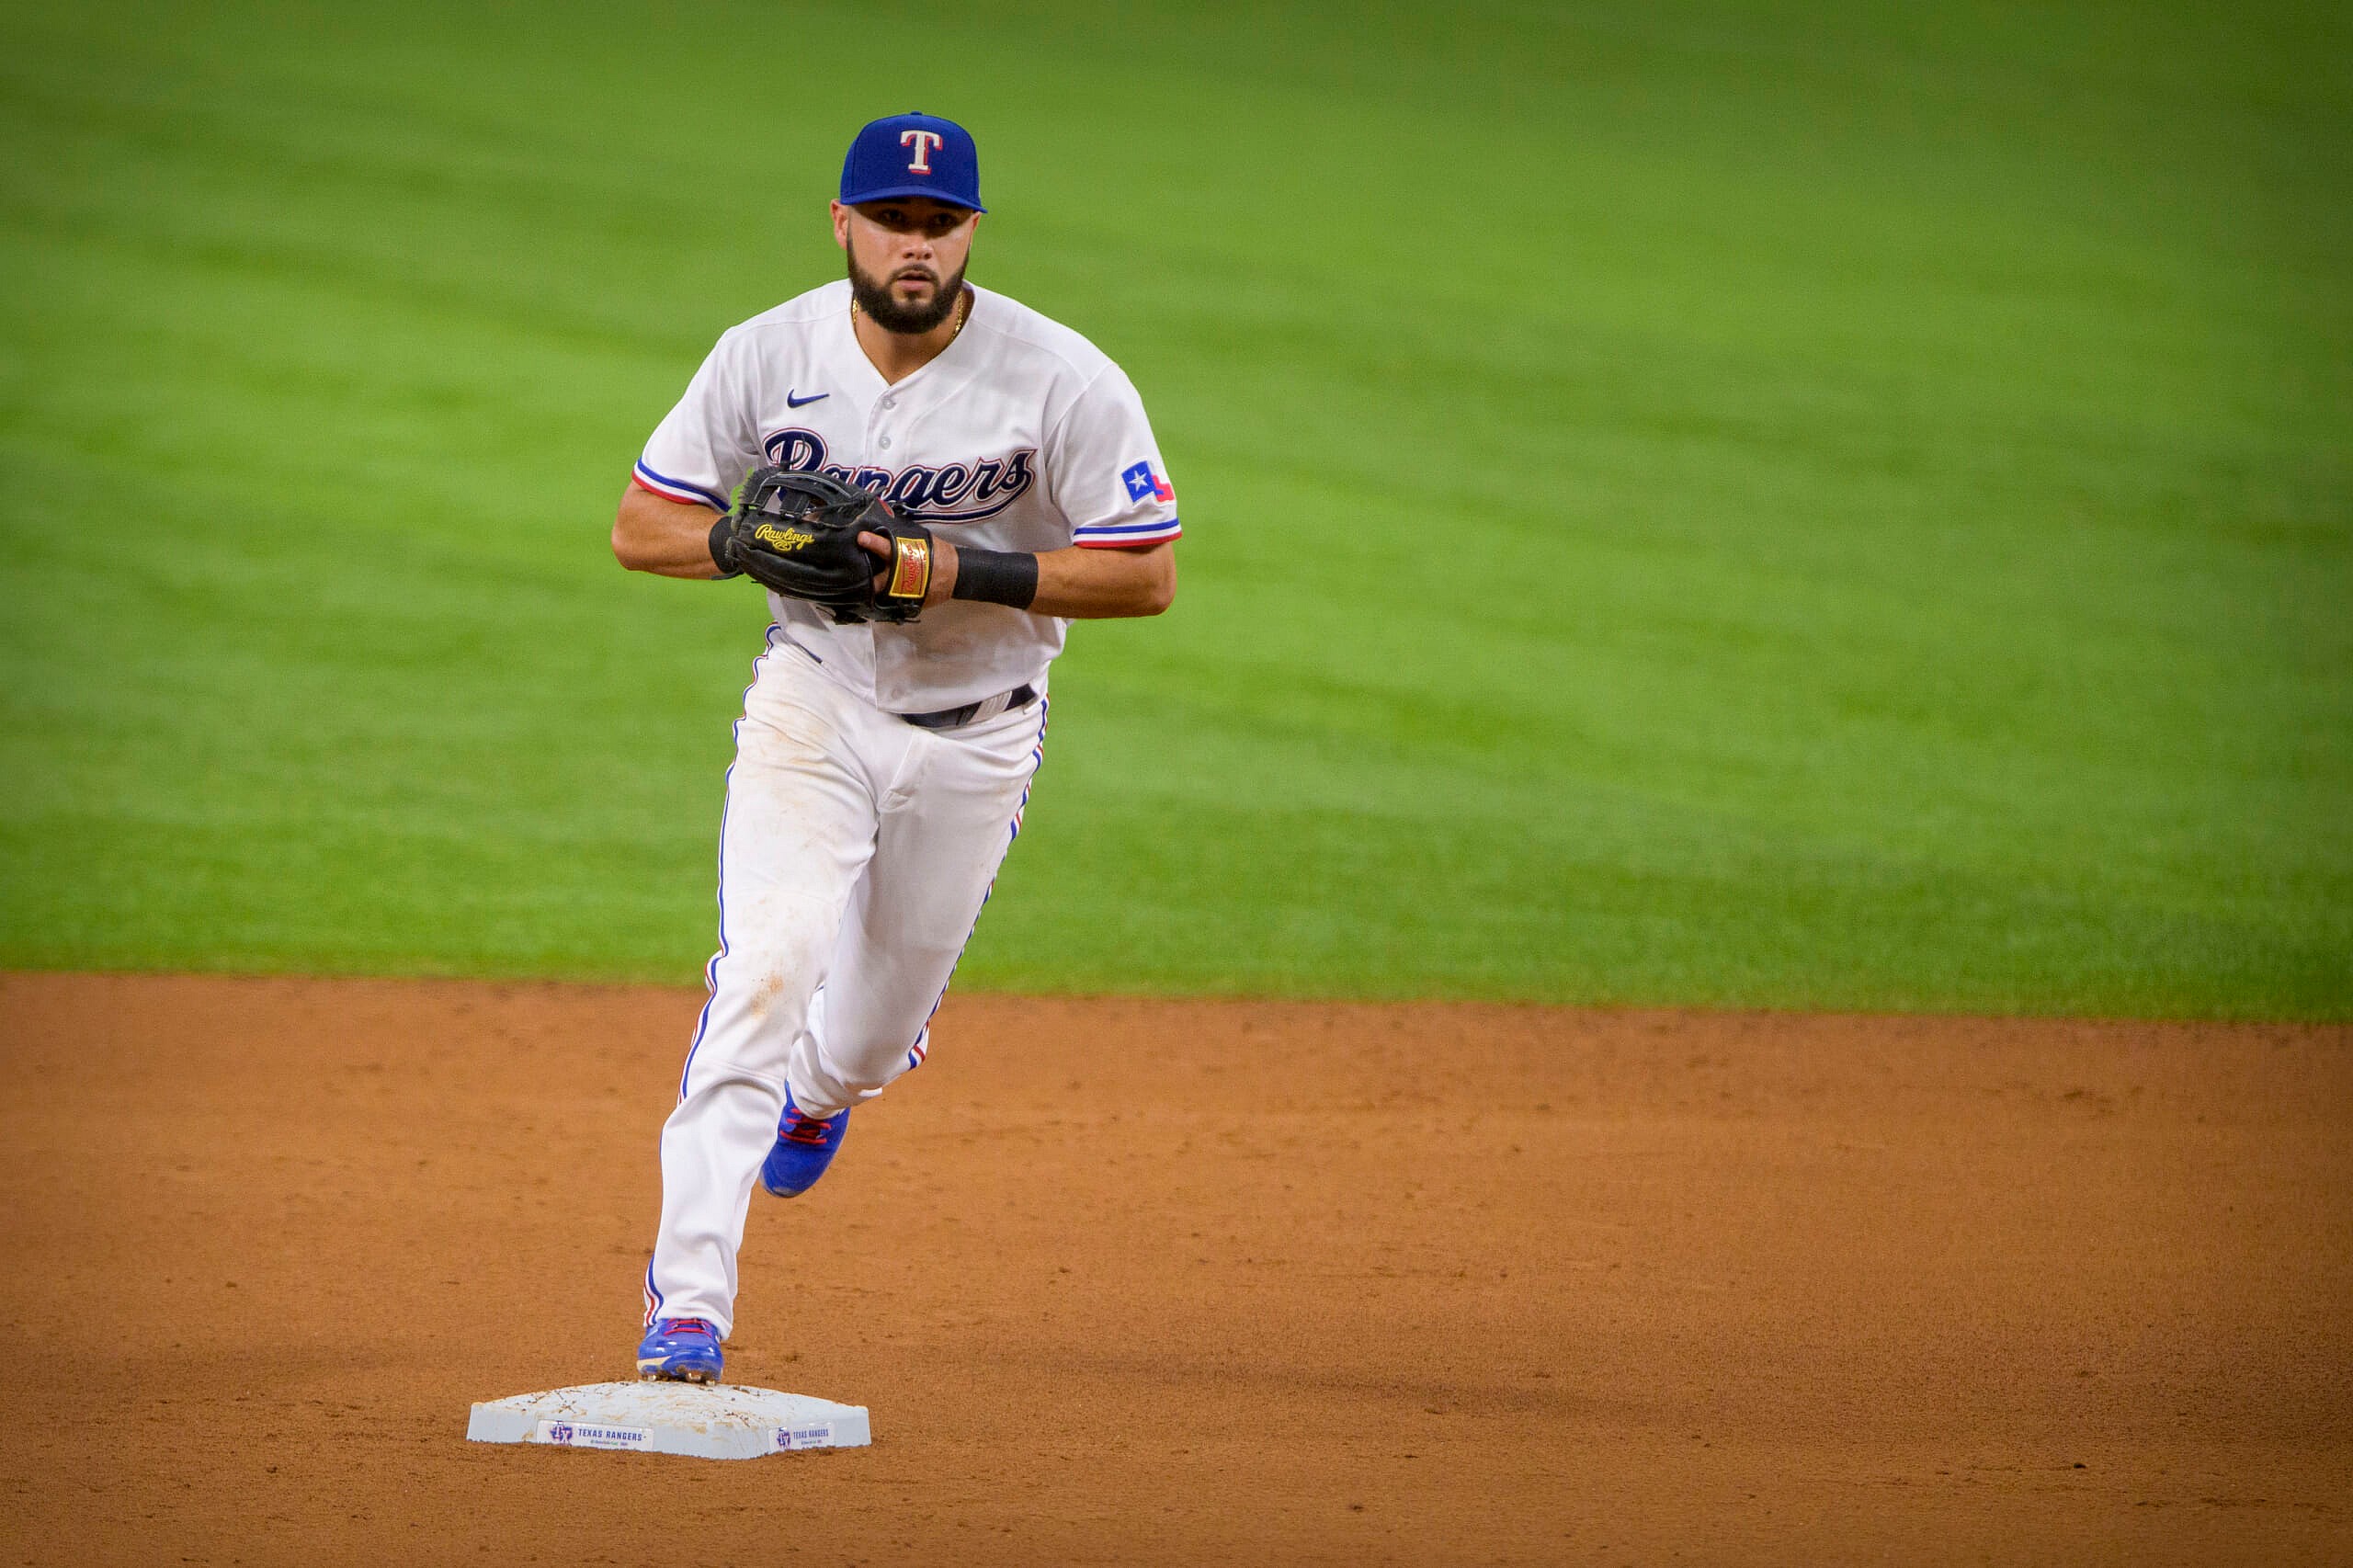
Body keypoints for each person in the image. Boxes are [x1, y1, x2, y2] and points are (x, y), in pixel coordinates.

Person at [611, 112, 1180, 1383]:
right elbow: (641, 524)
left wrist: (953, 569)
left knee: (865, 1040)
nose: (912, 245)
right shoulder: (765, 354)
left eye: (937, 223)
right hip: (813, 703)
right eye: (889, 221)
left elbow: (1146, 574)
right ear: (843, 224)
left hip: (980, 735)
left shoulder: (1063, 378)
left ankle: (823, 1091)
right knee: (765, 967)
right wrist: (732, 543)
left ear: (971, 232)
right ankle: (688, 1304)